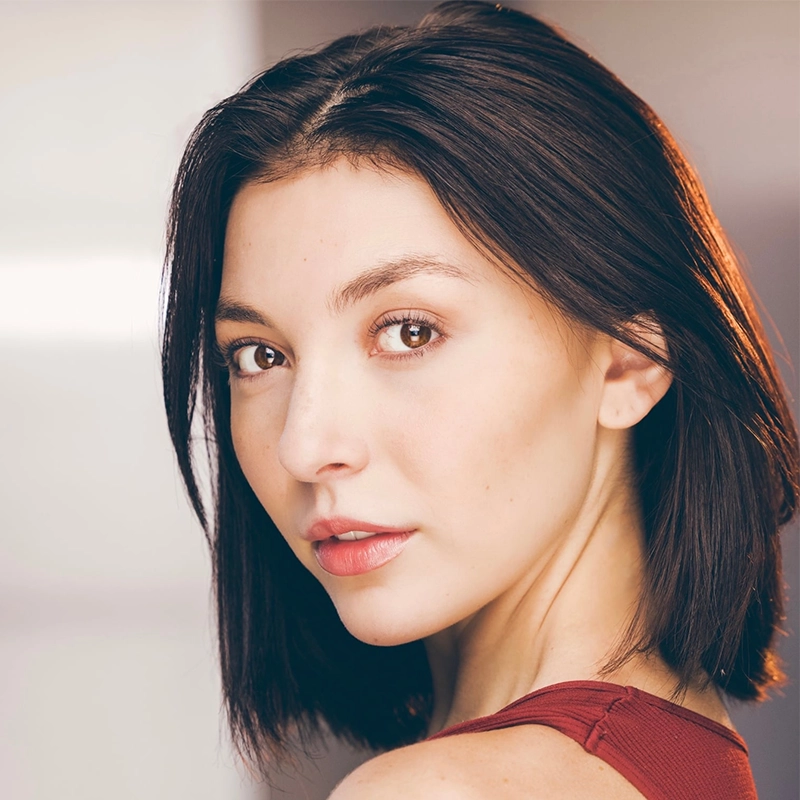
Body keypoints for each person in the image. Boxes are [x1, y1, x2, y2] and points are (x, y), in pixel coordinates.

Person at [160, 2, 799, 797]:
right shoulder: (682, 757)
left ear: (629, 361)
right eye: (259, 356)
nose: (303, 443)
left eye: (409, 333)